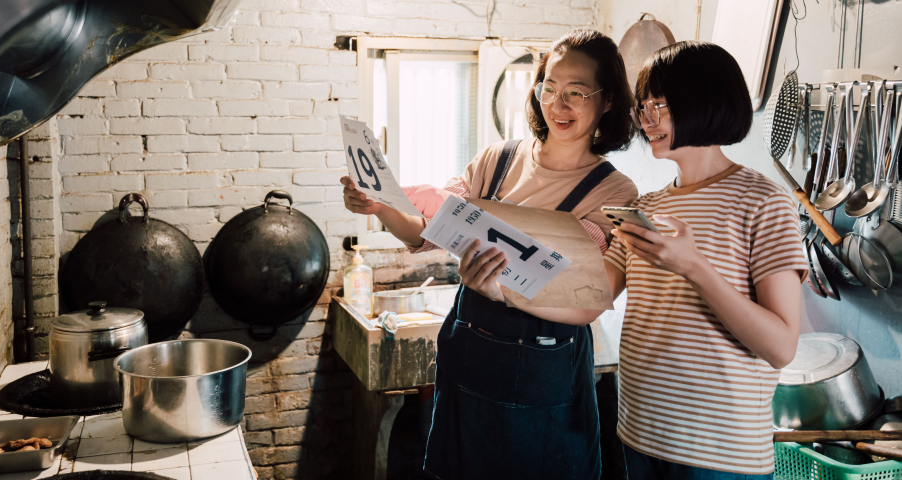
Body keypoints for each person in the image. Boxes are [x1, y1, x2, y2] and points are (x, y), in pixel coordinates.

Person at [342, 29, 639, 480]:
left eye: (576, 93)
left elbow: (584, 295)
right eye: (549, 89)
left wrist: (502, 292)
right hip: (470, 365)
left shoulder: (614, 191)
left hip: (545, 374)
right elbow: (427, 231)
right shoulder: (496, 160)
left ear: (609, 100)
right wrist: (381, 206)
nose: (558, 105)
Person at [604, 41, 807, 479]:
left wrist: (693, 266)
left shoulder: (764, 201)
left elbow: (780, 347)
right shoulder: (645, 205)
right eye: (643, 107)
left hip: (720, 454)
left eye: (659, 105)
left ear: (705, 101)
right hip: (638, 434)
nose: (646, 120)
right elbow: (590, 296)